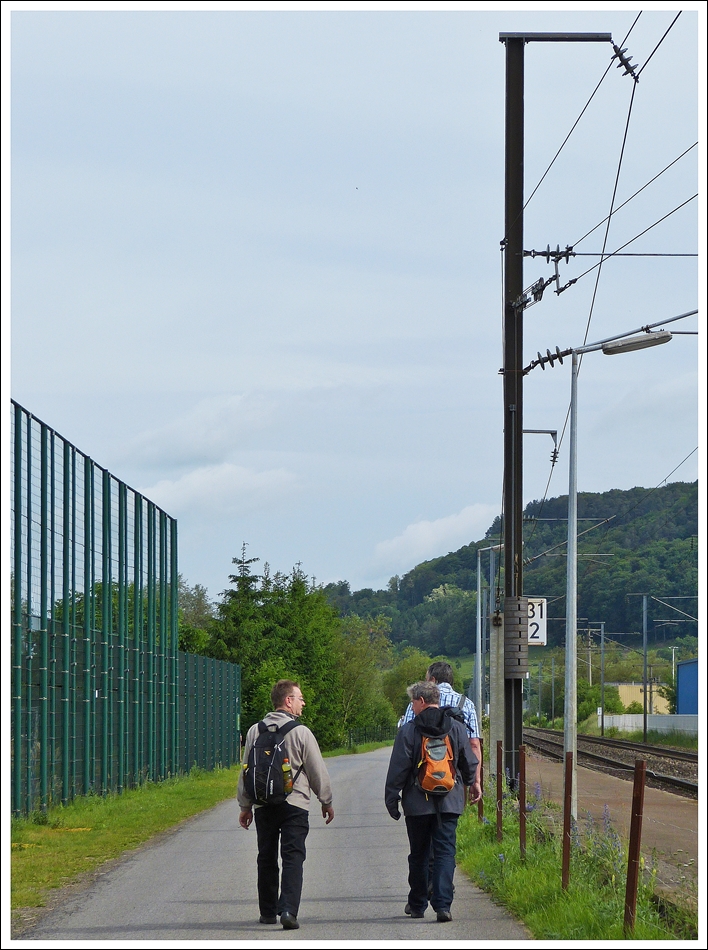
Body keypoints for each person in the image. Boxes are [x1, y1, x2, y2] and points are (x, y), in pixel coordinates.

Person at [237, 680, 334, 931]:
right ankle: (289, 910)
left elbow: (246, 769)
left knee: (266, 856)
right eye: (300, 698)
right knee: (293, 857)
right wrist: (326, 800)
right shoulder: (301, 732)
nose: (303, 703)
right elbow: (316, 770)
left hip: (262, 805)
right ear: (287, 701)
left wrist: (245, 805)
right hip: (295, 804)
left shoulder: (254, 731)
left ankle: (268, 912)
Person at [385, 681, 478, 922]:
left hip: (417, 804)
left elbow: (398, 768)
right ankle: (443, 905)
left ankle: (417, 905)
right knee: (446, 852)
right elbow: (468, 762)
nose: (412, 706)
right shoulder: (456, 728)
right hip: (449, 801)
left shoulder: (409, 731)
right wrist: (470, 782)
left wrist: (392, 798)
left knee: (419, 854)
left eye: (413, 702)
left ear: (422, 701)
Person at [400, 661, 482, 803]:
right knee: (448, 820)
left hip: (420, 780)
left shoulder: (418, 702)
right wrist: (475, 781)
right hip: (452, 780)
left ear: (432, 680)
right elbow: (474, 744)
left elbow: (405, 740)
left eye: (427, 679)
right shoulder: (466, 703)